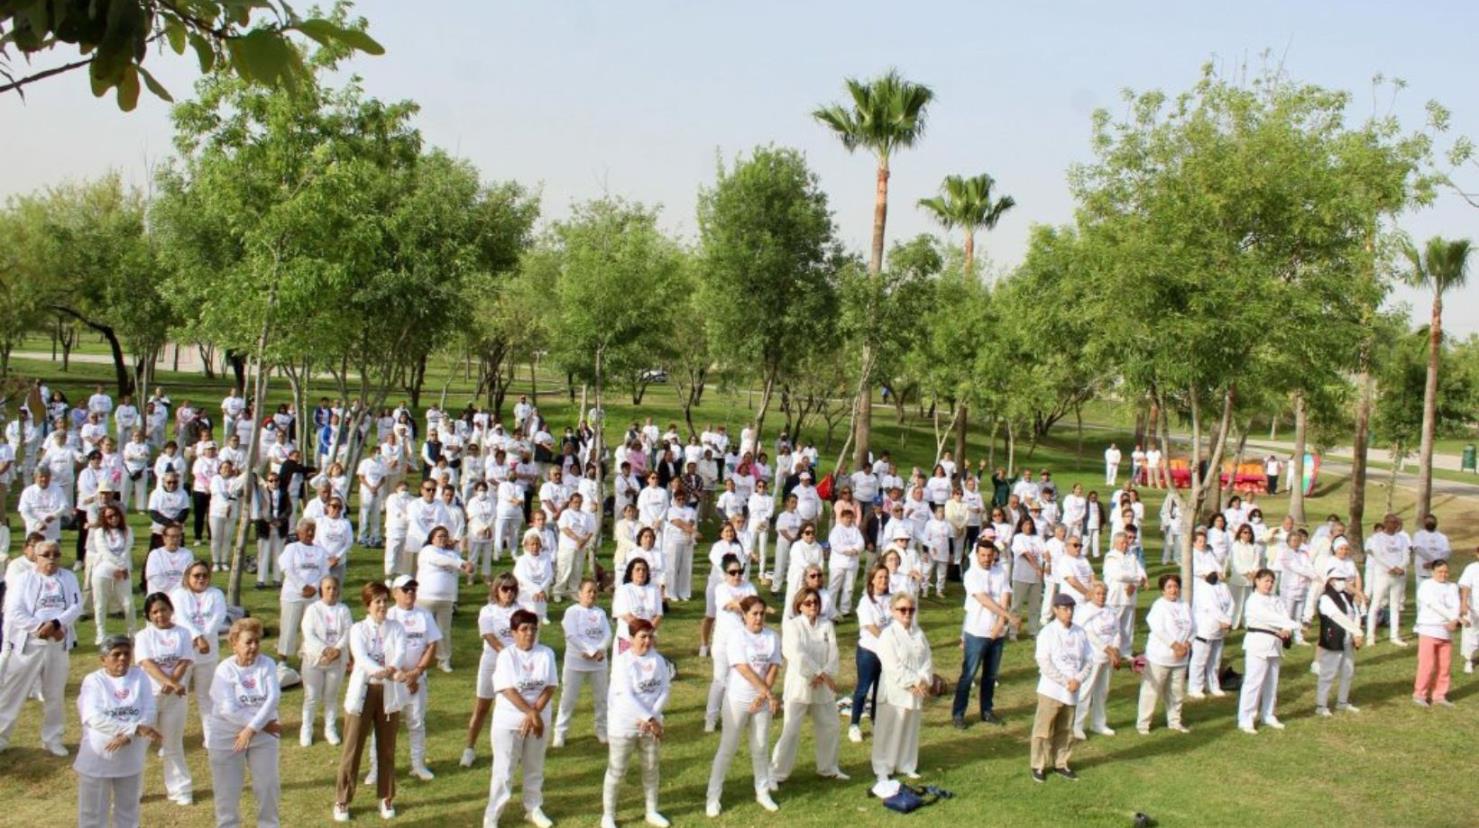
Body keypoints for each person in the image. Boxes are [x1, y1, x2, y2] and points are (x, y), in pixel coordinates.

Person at [0, 539, 81, 755]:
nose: (52, 559)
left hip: (58, 642)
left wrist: (56, 624)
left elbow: (76, 605)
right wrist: (39, 627)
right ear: (36, 556)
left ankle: (53, 738)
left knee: (54, 694)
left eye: (56, 554)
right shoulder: (24, 579)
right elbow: (14, 611)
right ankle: (1, 736)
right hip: (29, 644)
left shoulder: (69, 577)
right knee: (13, 692)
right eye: (46, 554)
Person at [336, 580, 407, 821]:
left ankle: (386, 797)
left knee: (387, 748)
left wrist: (392, 669)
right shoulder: (358, 629)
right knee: (352, 748)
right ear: (368, 604)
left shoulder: (396, 628)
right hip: (363, 692)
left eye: (385, 601)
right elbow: (361, 657)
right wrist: (380, 670)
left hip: (388, 693)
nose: (382, 606)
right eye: (377, 601)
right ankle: (343, 800)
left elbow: (399, 652)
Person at [74, 635, 163, 828]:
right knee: (92, 814)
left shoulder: (140, 677)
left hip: (130, 757)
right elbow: (93, 717)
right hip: (99, 757)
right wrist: (133, 728)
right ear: (103, 659)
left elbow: (149, 711)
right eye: (116, 654)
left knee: (128, 811)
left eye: (126, 653)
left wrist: (129, 734)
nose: (122, 658)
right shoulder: (93, 681)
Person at [705, 595, 781, 817]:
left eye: (762, 614)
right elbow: (742, 667)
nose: (758, 618)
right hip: (738, 699)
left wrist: (764, 693)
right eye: (754, 614)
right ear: (745, 615)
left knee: (760, 747)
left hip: (761, 701)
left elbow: (774, 666)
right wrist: (765, 692)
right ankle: (713, 796)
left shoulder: (772, 636)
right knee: (728, 748)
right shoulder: (736, 636)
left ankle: (763, 791)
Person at [483, 609, 558, 828]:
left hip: (538, 721)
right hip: (509, 721)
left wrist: (535, 713)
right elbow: (507, 690)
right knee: (504, 770)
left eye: (533, 629)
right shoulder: (507, 655)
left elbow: (550, 686)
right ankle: (492, 816)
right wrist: (530, 712)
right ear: (514, 632)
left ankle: (533, 808)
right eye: (524, 629)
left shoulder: (546, 654)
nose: (529, 633)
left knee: (534, 767)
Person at [208, 617, 282, 828]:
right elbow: (228, 708)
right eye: (248, 642)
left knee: (268, 786)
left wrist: (251, 728)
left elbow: (273, 698)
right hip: (227, 735)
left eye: (257, 641)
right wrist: (260, 725)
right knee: (227, 791)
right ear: (234, 644)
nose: (254, 647)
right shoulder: (224, 670)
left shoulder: (267, 663)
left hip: (262, 736)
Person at [771, 587, 846, 784]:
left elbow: (833, 651)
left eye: (816, 602)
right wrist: (817, 673)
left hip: (822, 685)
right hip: (800, 684)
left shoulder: (826, 624)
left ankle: (828, 768)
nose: (813, 606)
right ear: (799, 605)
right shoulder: (792, 625)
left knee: (831, 726)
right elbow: (795, 653)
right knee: (791, 730)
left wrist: (825, 673)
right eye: (808, 603)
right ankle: (777, 773)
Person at [601, 618, 672, 828]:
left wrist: (652, 717)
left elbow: (665, 689)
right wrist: (648, 719)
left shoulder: (658, 660)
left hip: (651, 726)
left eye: (650, 636)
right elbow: (626, 696)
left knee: (651, 768)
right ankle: (608, 815)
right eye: (643, 637)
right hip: (624, 725)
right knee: (617, 770)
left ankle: (651, 810)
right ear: (631, 638)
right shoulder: (623, 662)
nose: (647, 641)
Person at [135, 591, 195, 806]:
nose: (160, 615)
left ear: (171, 610)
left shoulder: (183, 633)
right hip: (148, 698)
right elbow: (147, 664)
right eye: (154, 612)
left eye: (163, 610)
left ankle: (180, 789)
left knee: (173, 744)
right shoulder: (143, 636)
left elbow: (184, 661)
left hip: (175, 698)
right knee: (139, 745)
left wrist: (172, 684)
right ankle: (133, 791)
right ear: (148, 615)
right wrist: (169, 684)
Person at [952, 540, 1017, 729]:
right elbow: (983, 599)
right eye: (983, 555)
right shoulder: (971, 574)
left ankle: (986, 711)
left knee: (990, 675)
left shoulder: (1001, 572)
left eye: (990, 555)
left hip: (996, 632)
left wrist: (1000, 624)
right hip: (976, 631)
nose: (987, 559)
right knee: (969, 674)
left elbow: (1005, 595)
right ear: (977, 554)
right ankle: (958, 714)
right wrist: (1006, 616)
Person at [871, 592, 932, 788]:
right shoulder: (888, 635)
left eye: (910, 610)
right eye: (902, 609)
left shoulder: (918, 633)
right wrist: (914, 681)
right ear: (893, 611)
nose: (907, 613)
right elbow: (892, 666)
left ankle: (906, 764)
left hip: (916, 691)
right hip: (894, 690)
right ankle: (883, 768)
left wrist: (923, 680)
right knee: (888, 730)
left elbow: (927, 659)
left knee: (909, 728)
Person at [1031, 593, 1092, 782]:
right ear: (1055, 610)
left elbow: (1089, 660)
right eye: (1064, 609)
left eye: (1071, 608)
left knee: (1066, 729)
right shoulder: (1047, 633)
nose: (1068, 612)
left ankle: (1061, 763)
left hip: (1072, 689)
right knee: (1044, 728)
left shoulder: (1080, 632)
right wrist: (1066, 681)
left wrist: (1078, 680)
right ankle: (1038, 765)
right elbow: (1044, 662)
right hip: (1052, 689)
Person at [461, 573, 521, 767]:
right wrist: (504, 653)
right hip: (492, 662)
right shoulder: (487, 611)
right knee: (482, 707)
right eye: (505, 589)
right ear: (496, 590)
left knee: (515, 706)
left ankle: (514, 749)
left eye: (512, 589)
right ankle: (469, 748)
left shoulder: (521, 611)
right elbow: (488, 635)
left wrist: (514, 656)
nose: (509, 593)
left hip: (514, 664)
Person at [1236, 568, 1298, 734]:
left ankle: (1268, 714)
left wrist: (1287, 629)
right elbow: (1268, 617)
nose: (1269, 584)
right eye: (1266, 581)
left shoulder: (1276, 599)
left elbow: (1283, 615)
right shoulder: (1253, 601)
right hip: (1258, 642)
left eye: (1271, 581)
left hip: (1275, 643)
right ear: (1257, 581)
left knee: (1272, 681)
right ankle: (1246, 718)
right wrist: (1292, 624)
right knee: (1254, 682)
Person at [554, 578, 612, 748]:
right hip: (575, 663)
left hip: (599, 663)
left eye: (595, 591)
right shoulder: (572, 612)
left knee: (601, 698)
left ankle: (601, 729)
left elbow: (607, 635)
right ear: (580, 594)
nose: (592, 594)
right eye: (589, 591)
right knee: (568, 699)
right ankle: (560, 733)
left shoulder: (600, 613)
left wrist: (599, 650)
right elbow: (571, 635)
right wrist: (590, 651)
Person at [705, 553, 759, 731]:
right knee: (720, 680)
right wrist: (744, 604)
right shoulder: (721, 588)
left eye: (740, 571)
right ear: (725, 573)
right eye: (733, 572)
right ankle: (710, 719)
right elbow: (731, 605)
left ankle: (738, 716)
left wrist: (743, 604)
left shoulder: (749, 585)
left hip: (745, 642)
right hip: (723, 642)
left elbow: (755, 607)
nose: (737, 576)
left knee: (743, 680)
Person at [1136, 574, 1192, 735]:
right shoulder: (1159, 606)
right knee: (1151, 691)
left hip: (1180, 658)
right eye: (1169, 587)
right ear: (1162, 590)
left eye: (1175, 586)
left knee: (1176, 692)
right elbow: (1158, 629)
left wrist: (1187, 642)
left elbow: (1193, 627)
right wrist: (1174, 645)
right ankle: (1143, 724)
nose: (1173, 590)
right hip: (1160, 657)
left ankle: (1175, 721)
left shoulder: (1184, 605)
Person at [301, 575, 352, 747]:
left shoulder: (343, 609)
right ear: (321, 589)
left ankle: (330, 729)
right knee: (312, 697)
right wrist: (325, 650)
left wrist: (337, 649)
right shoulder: (313, 609)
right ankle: (306, 729)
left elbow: (347, 631)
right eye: (328, 588)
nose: (332, 591)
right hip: (315, 660)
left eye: (334, 588)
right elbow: (309, 633)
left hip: (336, 661)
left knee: (331, 696)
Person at [417, 525, 472, 673]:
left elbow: (464, 565)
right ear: (432, 538)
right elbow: (440, 560)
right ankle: (419, 659)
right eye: (439, 536)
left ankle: (444, 659)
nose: (443, 539)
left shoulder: (452, 554)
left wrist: (468, 566)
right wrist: (461, 564)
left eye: (445, 536)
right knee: (422, 629)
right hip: (425, 597)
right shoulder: (427, 551)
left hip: (446, 599)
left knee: (444, 631)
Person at [849, 565, 892, 744]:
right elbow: (872, 627)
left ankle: (876, 721)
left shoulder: (892, 599)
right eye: (880, 577)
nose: (883, 581)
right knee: (863, 688)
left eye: (886, 577)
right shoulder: (865, 602)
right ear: (872, 580)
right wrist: (888, 641)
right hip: (869, 650)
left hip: (887, 652)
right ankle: (854, 725)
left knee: (880, 689)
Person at [1074, 581, 1122, 739]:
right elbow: (1089, 634)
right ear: (1092, 594)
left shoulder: (1110, 611)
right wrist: (1108, 649)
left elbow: (1116, 630)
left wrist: (1115, 649)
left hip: (1108, 657)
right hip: (1093, 656)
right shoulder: (1085, 611)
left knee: (1102, 691)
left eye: (1104, 594)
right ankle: (1077, 725)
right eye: (1098, 593)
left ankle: (1098, 723)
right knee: (1086, 691)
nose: (1101, 597)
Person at [277, 519, 328, 667]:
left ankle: (307, 655)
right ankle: (283, 661)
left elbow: (324, 572)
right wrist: (302, 587)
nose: (310, 533)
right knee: (288, 627)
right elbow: (287, 569)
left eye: (313, 530)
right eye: (307, 530)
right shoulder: (292, 548)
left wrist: (314, 587)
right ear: (299, 532)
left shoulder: (320, 551)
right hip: (293, 595)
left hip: (313, 596)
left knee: (311, 627)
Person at [1413, 559, 1463, 708]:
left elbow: (1456, 604)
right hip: (1429, 628)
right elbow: (1434, 604)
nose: (1443, 575)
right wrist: (1452, 618)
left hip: (1446, 631)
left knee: (1444, 666)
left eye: (1446, 572)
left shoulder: (1452, 586)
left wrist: (1454, 620)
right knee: (1427, 664)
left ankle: (1439, 695)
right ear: (1433, 572)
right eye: (1440, 572)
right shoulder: (1426, 586)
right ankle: (1420, 694)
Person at [1314, 572, 1365, 716]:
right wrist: (1357, 631)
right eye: (1339, 579)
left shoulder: (1346, 597)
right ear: (1331, 581)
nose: (1343, 582)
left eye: (1344, 579)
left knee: (1348, 671)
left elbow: (1355, 613)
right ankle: (1321, 704)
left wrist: (1356, 632)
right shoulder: (1325, 598)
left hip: (1348, 638)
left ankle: (1342, 701)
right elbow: (1337, 616)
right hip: (1333, 638)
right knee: (1328, 672)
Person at [88, 503, 136, 644]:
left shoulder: (127, 530)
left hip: (123, 570)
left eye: (115, 515)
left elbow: (127, 549)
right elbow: (104, 551)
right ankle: (101, 634)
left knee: (128, 603)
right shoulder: (99, 532)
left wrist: (121, 568)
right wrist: (117, 566)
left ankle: (132, 632)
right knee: (101, 604)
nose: (113, 519)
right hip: (103, 570)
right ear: (104, 518)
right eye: (109, 517)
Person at [1188, 571, 1234, 699]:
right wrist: (1223, 620)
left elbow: (1231, 604)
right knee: (1200, 660)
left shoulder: (1223, 586)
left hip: (1220, 630)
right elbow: (1211, 607)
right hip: (1205, 628)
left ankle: (1213, 685)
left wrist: (1228, 620)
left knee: (1215, 660)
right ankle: (1195, 687)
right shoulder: (1202, 588)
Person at [1009, 516, 1045, 638]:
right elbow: (1026, 554)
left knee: (1035, 606)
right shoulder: (1018, 538)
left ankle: (1034, 630)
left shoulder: (1038, 538)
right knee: (1016, 606)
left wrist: (1047, 565)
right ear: (1021, 526)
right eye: (1025, 524)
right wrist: (1037, 568)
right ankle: (1013, 631)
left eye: (1030, 524)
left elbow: (1045, 552)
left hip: (1036, 578)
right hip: (1021, 576)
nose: (1028, 527)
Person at [826, 508, 864, 616]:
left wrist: (856, 550)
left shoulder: (855, 530)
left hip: (852, 563)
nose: (848, 520)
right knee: (834, 587)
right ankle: (830, 609)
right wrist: (845, 551)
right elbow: (834, 544)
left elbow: (861, 542)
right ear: (841, 518)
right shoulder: (836, 530)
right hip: (838, 563)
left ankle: (845, 609)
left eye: (850, 517)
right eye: (846, 517)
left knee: (849, 587)